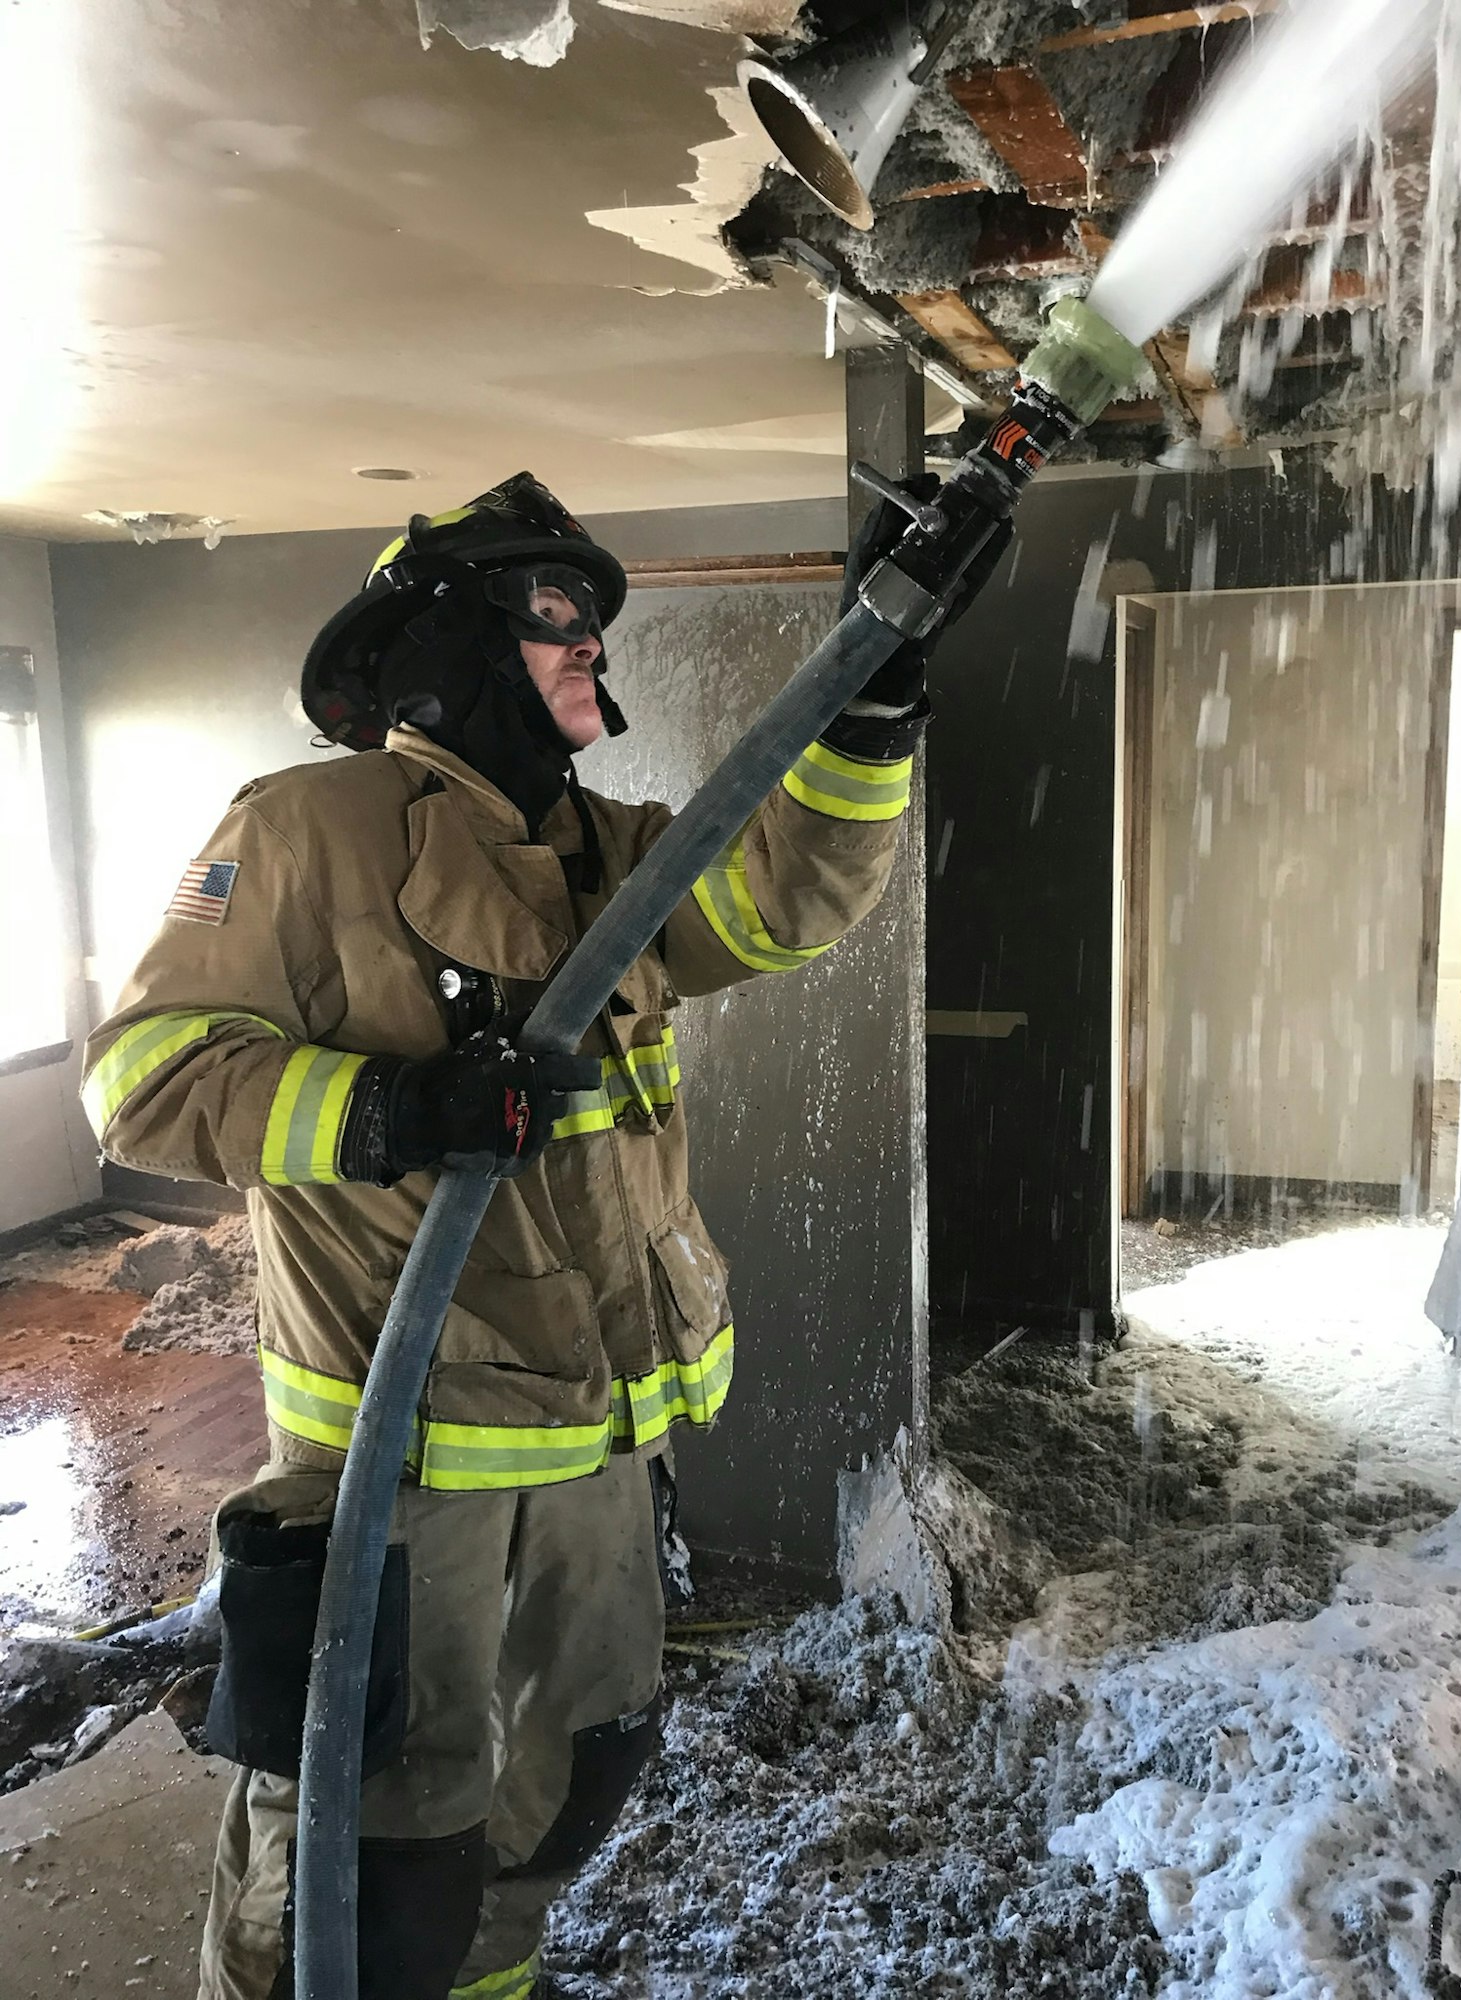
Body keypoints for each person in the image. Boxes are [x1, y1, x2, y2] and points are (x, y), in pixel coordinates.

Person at [81, 470, 988, 2000]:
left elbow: (787, 899)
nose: (592, 649)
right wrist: (389, 1112)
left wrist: (873, 699)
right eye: (556, 614)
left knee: (572, 1779)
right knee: (371, 1837)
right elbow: (143, 1080)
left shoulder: (605, 849)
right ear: (442, 642)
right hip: (402, 1451)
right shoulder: (306, 829)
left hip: (599, 1446)